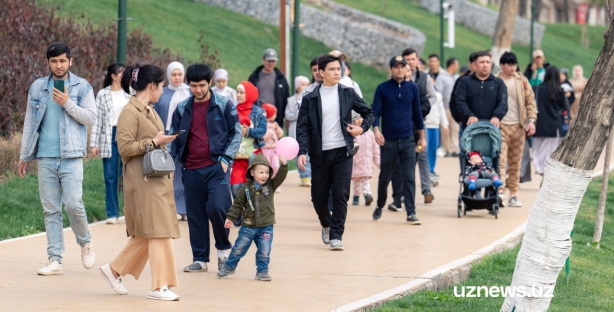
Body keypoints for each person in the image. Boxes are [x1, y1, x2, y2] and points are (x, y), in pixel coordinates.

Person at [99, 64, 181, 301]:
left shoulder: (149, 109)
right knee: (158, 231)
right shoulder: (130, 111)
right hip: (142, 180)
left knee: (150, 231)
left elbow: (151, 141)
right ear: (152, 85)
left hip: (155, 178)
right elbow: (124, 148)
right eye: (162, 86)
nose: (163, 90)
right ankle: (159, 286)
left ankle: (113, 270)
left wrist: (160, 141)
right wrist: (153, 142)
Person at [18, 42, 96, 276]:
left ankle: (85, 242)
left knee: (73, 204)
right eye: (54, 61)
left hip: (71, 156)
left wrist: (67, 103)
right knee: (50, 209)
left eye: (63, 60)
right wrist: (24, 156)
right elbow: (29, 123)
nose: (59, 65)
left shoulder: (82, 86)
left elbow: (90, 118)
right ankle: (54, 259)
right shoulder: (38, 87)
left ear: (70, 61)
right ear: (47, 63)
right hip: (45, 156)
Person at [296, 54, 374, 251]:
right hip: (320, 154)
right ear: (321, 73)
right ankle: (326, 223)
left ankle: (336, 235)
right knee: (318, 197)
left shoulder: (347, 93)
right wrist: (302, 151)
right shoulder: (310, 98)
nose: (337, 72)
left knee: (341, 195)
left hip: (342, 152)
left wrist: (361, 129)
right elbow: (303, 127)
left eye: (338, 69)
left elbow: (369, 112)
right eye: (332, 69)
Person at [169, 63, 241, 273]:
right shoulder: (182, 108)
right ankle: (200, 259)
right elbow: (174, 138)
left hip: (217, 167)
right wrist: (168, 163)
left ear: (210, 83)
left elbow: (236, 133)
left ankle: (222, 253)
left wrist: (226, 158)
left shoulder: (224, 104)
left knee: (218, 208)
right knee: (195, 215)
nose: (198, 90)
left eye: (202, 85)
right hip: (190, 169)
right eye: (193, 86)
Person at [371, 56, 427, 225]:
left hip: (408, 139)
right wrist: (375, 130)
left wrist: (422, 137)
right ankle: (380, 205)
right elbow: (376, 111)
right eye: (396, 67)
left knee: (409, 177)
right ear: (391, 69)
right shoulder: (382, 88)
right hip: (388, 141)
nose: (400, 69)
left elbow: (417, 113)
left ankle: (411, 212)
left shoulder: (413, 89)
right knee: (384, 178)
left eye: (403, 66)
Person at [217, 153, 288, 281]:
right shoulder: (245, 188)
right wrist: (230, 218)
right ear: (252, 172)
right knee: (238, 248)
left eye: (267, 172)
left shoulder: (270, 186)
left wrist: (284, 165)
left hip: (266, 226)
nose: (264, 175)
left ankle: (262, 271)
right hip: (248, 227)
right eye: (261, 172)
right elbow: (237, 204)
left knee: (264, 251)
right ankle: (229, 267)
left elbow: (281, 177)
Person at [388, 48, 434, 209]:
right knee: (398, 165)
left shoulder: (418, 86)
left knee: (418, 159)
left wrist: (414, 116)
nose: (404, 71)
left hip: (416, 130)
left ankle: (423, 191)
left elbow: (427, 104)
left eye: (407, 67)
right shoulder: (389, 86)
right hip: (396, 133)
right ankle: (397, 198)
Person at [495, 52, 537, 207]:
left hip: (518, 127)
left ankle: (513, 194)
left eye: (514, 64)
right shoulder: (495, 80)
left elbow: (530, 102)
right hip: (500, 127)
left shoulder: (522, 81)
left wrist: (531, 121)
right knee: (500, 161)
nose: (513, 67)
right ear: (502, 65)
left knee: (515, 162)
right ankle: (500, 192)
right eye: (509, 65)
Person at [90, 62, 130, 224]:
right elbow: (97, 119)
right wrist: (94, 144)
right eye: (122, 73)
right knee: (110, 176)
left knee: (128, 175)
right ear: (113, 76)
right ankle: (112, 213)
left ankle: (129, 211)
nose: (125, 76)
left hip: (126, 135)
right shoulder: (102, 94)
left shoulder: (130, 92)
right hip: (108, 136)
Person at [153, 61, 191, 221]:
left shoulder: (190, 92)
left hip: (187, 136)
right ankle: (172, 207)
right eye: (174, 74)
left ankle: (186, 208)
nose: (177, 77)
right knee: (169, 171)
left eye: (180, 74)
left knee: (185, 171)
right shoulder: (162, 92)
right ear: (168, 75)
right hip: (166, 136)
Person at [230, 81, 268, 199]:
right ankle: (238, 216)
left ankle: (254, 214)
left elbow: (262, 130)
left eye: (242, 92)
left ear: (250, 94)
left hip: (253, 153)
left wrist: (249, 132)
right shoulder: (232, 111)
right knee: (236, 186)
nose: (238, 95)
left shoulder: (259, 112)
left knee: (254, 186)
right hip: (237, 156)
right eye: (238, 92)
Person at [454, 50, 508, 133]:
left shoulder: (499, 83)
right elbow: (459, 101)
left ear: (491, 65)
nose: (485, 65)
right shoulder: (464, 81)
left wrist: (496, 116)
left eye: (488, 62)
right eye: (482, 62)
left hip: (492, 128)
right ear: (474, 65)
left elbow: (503, 103)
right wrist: (469, 115)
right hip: (469, 128)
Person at [533, 66, 569, 176]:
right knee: (552, 150)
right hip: (555, 125)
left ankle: (540, 169)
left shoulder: (537, 89)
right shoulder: (560, 90)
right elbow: (564, 107)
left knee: (537, 148)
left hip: (541, 124)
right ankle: (547, 171)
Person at [427, 53, 458, 160]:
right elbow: (438, 93)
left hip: (450, 107)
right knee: (444, 130)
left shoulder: (449, 75)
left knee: (453, 129)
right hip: (439, 108)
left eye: (434, 61)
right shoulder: (431, 75)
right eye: (431, 61)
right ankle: (447, 149)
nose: (432, 63)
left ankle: (454, 149)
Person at [248, 48, 290, 128]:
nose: (271, 63)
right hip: (258, 116)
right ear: (263, 60)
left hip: (275, 117)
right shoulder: (254, 77)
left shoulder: (280, 78)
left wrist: (286, 117)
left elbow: (285, 98)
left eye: (273, 61)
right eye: (268, 61)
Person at [285, 75, 311, 186]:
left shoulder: (310, 98)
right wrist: (298, 115)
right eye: (302, 84)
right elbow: (287, 115)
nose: (304, 87)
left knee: (308, 154)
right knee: (297, 153)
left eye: (306, 84)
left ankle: (308, 176)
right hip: (294, 130)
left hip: (307, 129)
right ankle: (304, 176)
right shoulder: (291, 100)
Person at [351, 114, 380, 206]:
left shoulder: (371, 134)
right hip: (355, 164)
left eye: (361, 118)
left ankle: (367, 195)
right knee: (356, 183)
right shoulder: (352, 135)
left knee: (365, 181)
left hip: (366, 164)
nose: (359, 120)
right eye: (356, 119)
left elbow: (375, 150)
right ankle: (356, 196)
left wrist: (379, 163)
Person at [424, 86, 449, 178]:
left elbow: (441, 111)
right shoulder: (421, 95)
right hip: (425, 125)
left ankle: (431, 169)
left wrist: (445, 124)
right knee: (425, 150)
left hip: (435, 126)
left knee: (433, 149)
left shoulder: (438, 96)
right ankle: (425, 171)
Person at [261, 103, 284, 180]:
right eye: (274, 114)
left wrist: (277, 128)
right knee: (266, 166)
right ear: (270, 115)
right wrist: (270, 132)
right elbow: (262, 138)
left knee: (276, 165)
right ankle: (266, 182)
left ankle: (274, 181)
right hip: (265, 149)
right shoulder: (262, 125)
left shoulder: (274, 124)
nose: (276, 116)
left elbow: (280, 134)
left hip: (274, 149)